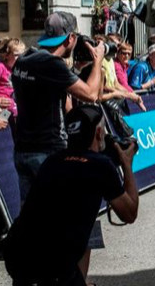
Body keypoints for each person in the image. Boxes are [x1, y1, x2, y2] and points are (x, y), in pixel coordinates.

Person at [4, 106, 139, 286]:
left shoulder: (52, 161)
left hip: (18, 255)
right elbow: (129, 213)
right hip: (53, 268)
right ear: (99, 133)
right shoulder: (101, 165)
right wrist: (127, 163)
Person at [12, 12, 106, 203]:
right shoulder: (52, 64)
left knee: (30, 213)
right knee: (57, 212)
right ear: (70, 38)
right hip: (48, 150)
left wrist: (75, 71)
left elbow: (59, 100)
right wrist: (97, 60)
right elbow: (90, 94)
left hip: (23, 149)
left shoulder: (24, 59)